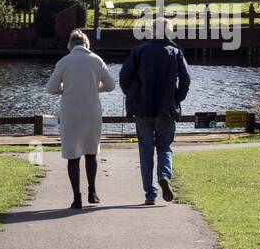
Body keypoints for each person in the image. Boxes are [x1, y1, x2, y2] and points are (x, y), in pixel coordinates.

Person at [119, 16, 191, 204]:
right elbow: (186, 80)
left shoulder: (139, 51)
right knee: (165, 147)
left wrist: (132, 94)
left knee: (145, 150)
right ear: (169, 32)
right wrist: (176, 98)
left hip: (142, 108)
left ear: (152, 31)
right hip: (166, 109)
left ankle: (150, 194)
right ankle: (164, 175)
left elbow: (123, 77)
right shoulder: (176, 52)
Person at [46, 29, 117, 209]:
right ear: (86, 43)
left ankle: (77, 198)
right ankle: (92, 192)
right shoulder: (96, 60)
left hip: (70, 113)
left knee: (73, 156)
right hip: (92, 111)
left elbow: (51, 88)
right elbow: (110, 85)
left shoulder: (64, 61)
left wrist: (65, 88)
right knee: (91, 152)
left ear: (70, 44)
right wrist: (94, 87)